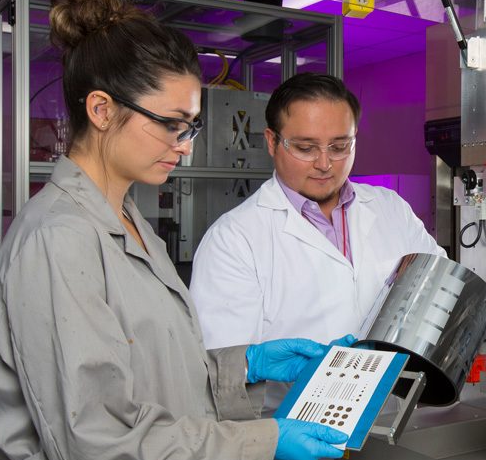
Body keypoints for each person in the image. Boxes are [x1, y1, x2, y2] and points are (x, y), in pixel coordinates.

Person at [0, 0, 349, 460]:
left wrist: (245, 365)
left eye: (190, 126)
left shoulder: (129, 221)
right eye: (172, 124)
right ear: (102, 110)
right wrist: (262, 440)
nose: (186, 145)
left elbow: (155, 379)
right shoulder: (60, 238)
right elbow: (96, 442)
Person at [189, 73, 445, 408]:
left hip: (392, 415)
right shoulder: (233, 240)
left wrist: (424, 280)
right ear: (271, 141)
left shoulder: (390, 207)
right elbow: (219, 370)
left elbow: (439, 290)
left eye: (340, 147)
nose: (324, 164)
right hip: (293, 432)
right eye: (305, 147)